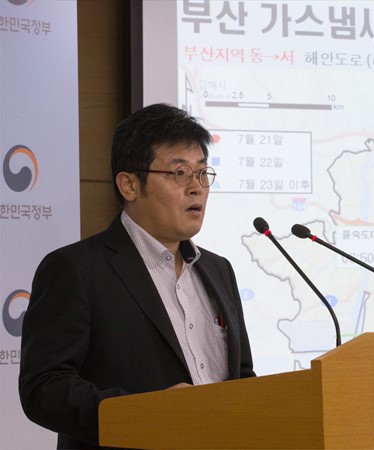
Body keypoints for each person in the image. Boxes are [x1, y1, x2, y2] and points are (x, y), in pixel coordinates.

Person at [19, 103, 255, 449]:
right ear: (129, 185)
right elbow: (44, 388)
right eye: (180, 173)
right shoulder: (75, 270)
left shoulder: (219, 270)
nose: (196, 187)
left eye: (203, 172)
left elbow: (243, 377)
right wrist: (143, 414)